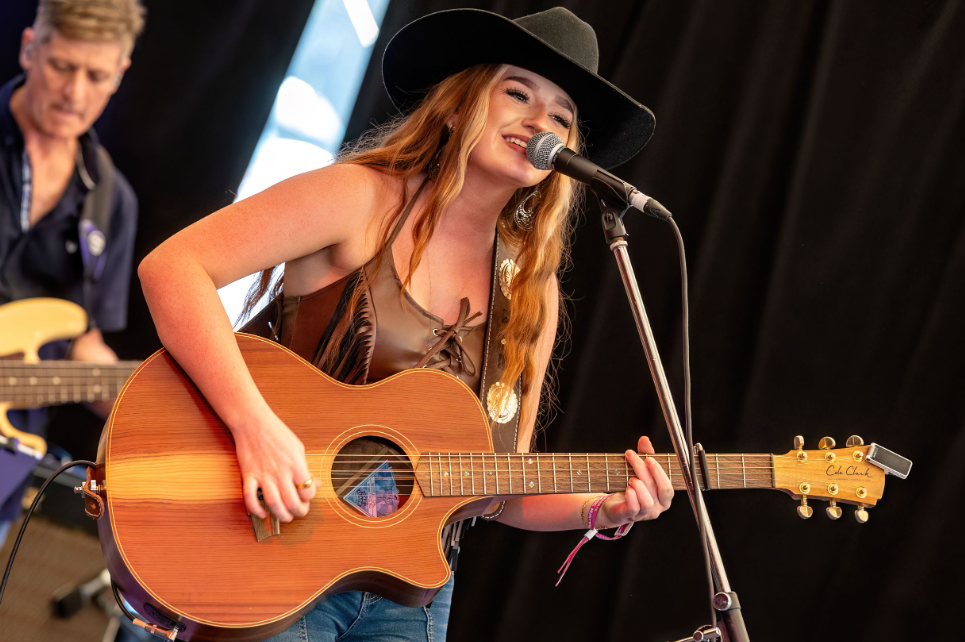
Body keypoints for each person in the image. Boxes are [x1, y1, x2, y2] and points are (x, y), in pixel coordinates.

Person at [138, 7, 672, 641]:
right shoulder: (356, 198)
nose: (539, 122)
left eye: (561, 117)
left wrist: (601, 508)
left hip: (412, 597)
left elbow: (496, 486)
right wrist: (255, 427)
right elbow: (173, 268)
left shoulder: (531, 289)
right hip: (273, 547)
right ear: (455, 105)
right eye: (518, 93)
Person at [0, 0, 145, 544]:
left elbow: (84, 341)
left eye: (96, 76)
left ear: (120, 74)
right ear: (29, 48)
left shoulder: (111, 201)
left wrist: (151, 399)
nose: (74, 93)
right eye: (62, 66)